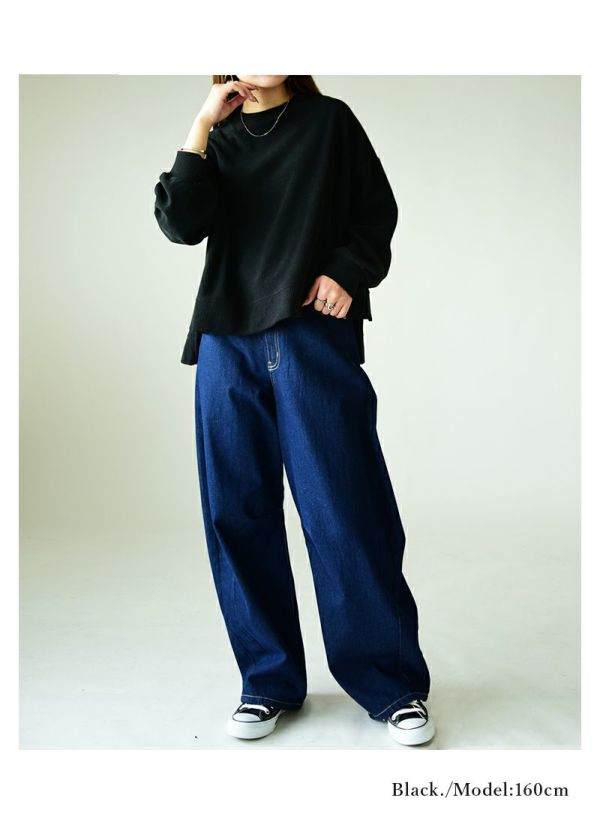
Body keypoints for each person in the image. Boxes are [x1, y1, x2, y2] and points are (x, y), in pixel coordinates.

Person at [153, 75, 435, 746]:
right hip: (227, 341)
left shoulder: (330, 122)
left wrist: (346, 270)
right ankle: (268, 680)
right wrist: (201, 124)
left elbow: (376, 211)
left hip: (310, 334)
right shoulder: (219, 140)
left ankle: (391, 684)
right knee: (236, 512)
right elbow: (181, 223)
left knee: (346, 508)